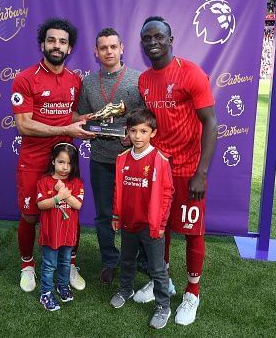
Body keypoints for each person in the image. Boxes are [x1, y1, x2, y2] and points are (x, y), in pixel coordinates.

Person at [137, 16, 218, 326]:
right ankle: (163, 281)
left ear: (171, 40)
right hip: (158, 171)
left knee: (192, 233)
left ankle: (192, 292)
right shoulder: (144, 80)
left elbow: (211, 122)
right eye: (147, 38)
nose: (153, 42)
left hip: (187, 171)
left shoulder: (191, 73)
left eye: (159, 36)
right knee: (159, 229)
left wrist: (202, 172)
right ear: (142, 44)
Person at [11, 18, 94, 293]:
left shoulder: (74, 80)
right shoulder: (24, 78)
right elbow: (24, 124)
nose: (56, 46)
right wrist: (66, 127)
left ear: (69, 48)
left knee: (69, 210)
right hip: (34, 160)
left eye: (62, 41)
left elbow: (71, 116)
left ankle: (69, 265)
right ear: (42, 44)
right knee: (31, 215)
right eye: (51, 40)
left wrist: (87, 121)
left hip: (65, 161)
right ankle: (27, 265)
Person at [76, 27, 144, 284]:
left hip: (133, 159)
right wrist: (85, 124)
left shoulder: (137, 80)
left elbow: (147, 119)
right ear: (96, 51)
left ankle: (136, 259)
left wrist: (133, 133)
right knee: (103, 214)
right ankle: (109, 260)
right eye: (103, 47)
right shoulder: (89, 82)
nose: (108, 51)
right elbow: (79, 115)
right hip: (101, 159)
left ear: (122, 48)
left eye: (113, 46)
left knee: (134, 214)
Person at [109, 108, 174, 329]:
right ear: (127, 132)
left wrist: (162, 223)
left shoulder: (160, 159)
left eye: (143, 131)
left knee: (157, 268)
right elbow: (118, 189)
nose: (137, 136)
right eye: (133, 131)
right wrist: (116, 214)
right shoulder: (122, 159)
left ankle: (163, 305)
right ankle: (126, 289)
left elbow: (167, 193)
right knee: (127, 260)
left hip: (151, 225)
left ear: (153, 133)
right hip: (129, 222)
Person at [36, 143, 84, 311]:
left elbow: (77, 205)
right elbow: (41, 205)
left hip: (68, 234)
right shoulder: (44, 182)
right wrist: (58, 198)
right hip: (50, 234)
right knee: (49, 264)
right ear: (53, 162)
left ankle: (62, 285)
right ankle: (46, 293)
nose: (65, 167)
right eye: (61, 162)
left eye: (69, 163)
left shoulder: (76, 183)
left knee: (65, 262)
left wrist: (65, 194)